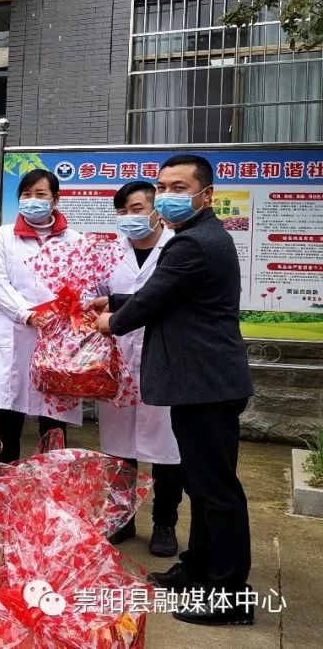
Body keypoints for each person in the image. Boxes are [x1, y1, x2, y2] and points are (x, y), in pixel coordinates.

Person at [92, 155, 254, 626]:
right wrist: (116, 300)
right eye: (162, 186)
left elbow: (153, 300)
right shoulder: (202, 236)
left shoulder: (192, 243)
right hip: (200, 382)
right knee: (202, 485)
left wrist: (112, 320)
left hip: (206, 383)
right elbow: (169, 295)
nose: (167, 196)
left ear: (207, 194)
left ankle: (229, 595)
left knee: (217, 491)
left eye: (179, 187)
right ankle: (199, 569)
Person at [0, 169, 82, 463]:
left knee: (54, 419)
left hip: (56, 338)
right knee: (9, 416)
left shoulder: (74, 240)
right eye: (26, 194)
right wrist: (26, 313)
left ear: (55, 199)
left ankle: (51, 482)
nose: (32, 200)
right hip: (14, 332)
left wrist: (59, 314)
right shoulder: (3, 236)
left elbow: (81, 285)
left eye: (40, 194)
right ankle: (6, 481)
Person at [99, 181, 183, 558]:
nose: (129, 218)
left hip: (163, 359)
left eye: (136, 209)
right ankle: (122, 517)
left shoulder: (176, 249)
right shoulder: (110, 253)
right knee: (118, 448)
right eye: (122, 212)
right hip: (117, 360)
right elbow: (95, 295)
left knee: (167, 448)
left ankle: (165, 523)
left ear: (155, 210)